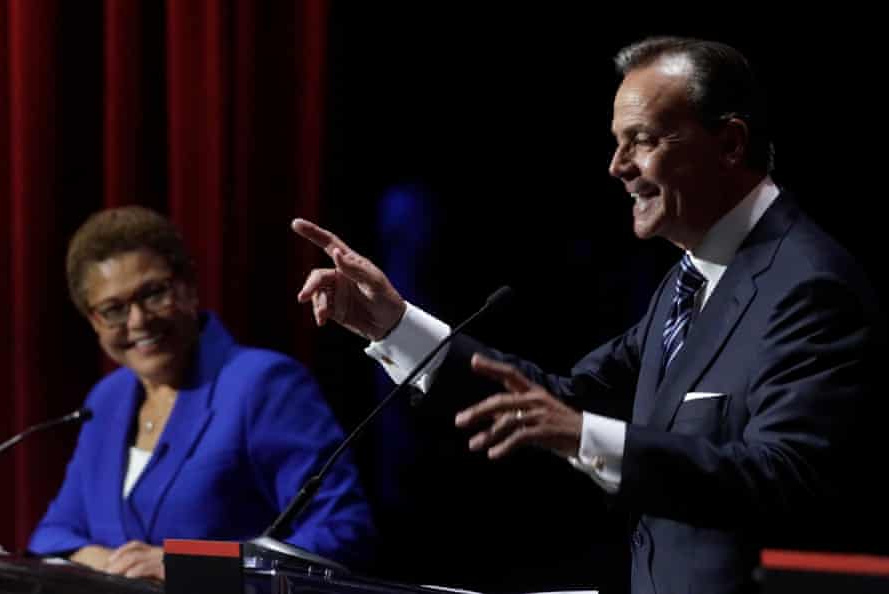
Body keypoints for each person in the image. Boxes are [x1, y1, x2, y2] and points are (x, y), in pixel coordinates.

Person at [291, 36, 884, 594]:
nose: (616, 165)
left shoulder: (809, 285)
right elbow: (564, 399)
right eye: (616, 140)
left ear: (730, 144)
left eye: (643, 139)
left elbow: (784, 478)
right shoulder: (689, 278)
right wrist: (395, 327)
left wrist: (587, 437)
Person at [28, 206, 374, 580]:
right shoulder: (106, 401)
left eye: (154, 293)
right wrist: (108, 565)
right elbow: (53, 534)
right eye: (113, 309)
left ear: (189, 286)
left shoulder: (262, 384)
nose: (138, 321)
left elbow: (343, 532)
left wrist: (187, 567)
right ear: (94, 321)